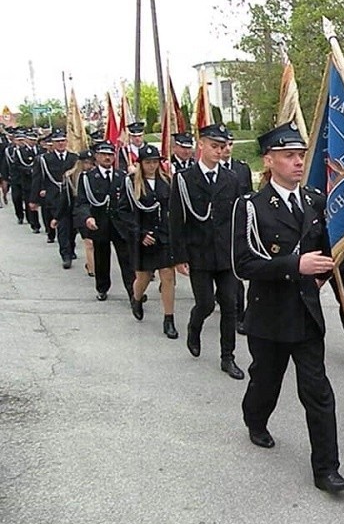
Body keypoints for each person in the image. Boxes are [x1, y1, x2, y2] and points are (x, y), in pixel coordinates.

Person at [232, 122, 344, 494]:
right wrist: (293, 265)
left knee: (318, 392)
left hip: (305, 314)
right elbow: (244, 265)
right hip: (268, 317)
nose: (298, 162)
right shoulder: (251, 208)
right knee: (265, 382)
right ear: (269, 161)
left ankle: (326, 470)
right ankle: (255, 419)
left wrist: (324, 275)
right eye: (289, 156)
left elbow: (329, 250)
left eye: (301, 155)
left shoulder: (315, 201)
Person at [169, 123, 243, 380]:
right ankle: (194, 326)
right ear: (201, 145)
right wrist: (179, 256)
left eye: (222, 147)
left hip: (225, 254)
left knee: (230, 305)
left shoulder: (231, 179)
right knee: (206, 303)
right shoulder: (184, 179)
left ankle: (228, 356)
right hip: (198, 252)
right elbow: (176, 220)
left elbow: (237, 217)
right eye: (214, 146)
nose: (219, 151)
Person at [119, 145, 178, 339]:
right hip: (142, 237)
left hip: (163, 235)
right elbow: (124, 212)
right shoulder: (131, 183)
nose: (152, 166)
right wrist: (140, 234)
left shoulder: (166, 182)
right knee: (143, 278)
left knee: (168, 276)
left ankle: (169, 318)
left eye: (155, 162)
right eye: (148, 162)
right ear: (141, 164)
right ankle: (136, 299)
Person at [74, 141, 135, 302]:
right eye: (104, 155)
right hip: (99, 223)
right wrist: (87, 217)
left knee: (127, 259)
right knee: (102, 258)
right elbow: (82, 202)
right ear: (97, 157)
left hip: (120, 225)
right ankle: (102, 287)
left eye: (110, 155)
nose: (107, 158)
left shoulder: (122, 177)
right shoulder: (88, 178)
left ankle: (133, 292)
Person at [220, 132, 253, 335]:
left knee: (237, 273)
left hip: (238, 227)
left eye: (230, 144)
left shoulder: (242, 168)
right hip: (219, 229)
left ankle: (240, 316)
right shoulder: (212, 170)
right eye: (223, 145)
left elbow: (248, 196)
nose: (227, 148)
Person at [30, 128, 78, 267]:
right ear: (53, 143)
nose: (61, 144)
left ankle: (71, 247)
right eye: (58, 142)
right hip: (55, 197)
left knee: (73, 228)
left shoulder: (74, 158)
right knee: (62, 226)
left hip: (72, 196)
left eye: (63, 141)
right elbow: (37, 179)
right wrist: (34, 200)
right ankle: (65, 254)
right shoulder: (44, 159)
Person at [56, 149, 95, 277]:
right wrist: (57, 216)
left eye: (91, 163)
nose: (88, 166)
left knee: (91, 241)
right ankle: (69, 257)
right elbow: (64, 198)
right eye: (86, 162)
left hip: (91, 211)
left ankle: (91, 265)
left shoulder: (95, 176)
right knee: (78, 238)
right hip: (74, 209)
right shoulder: (70, 176)